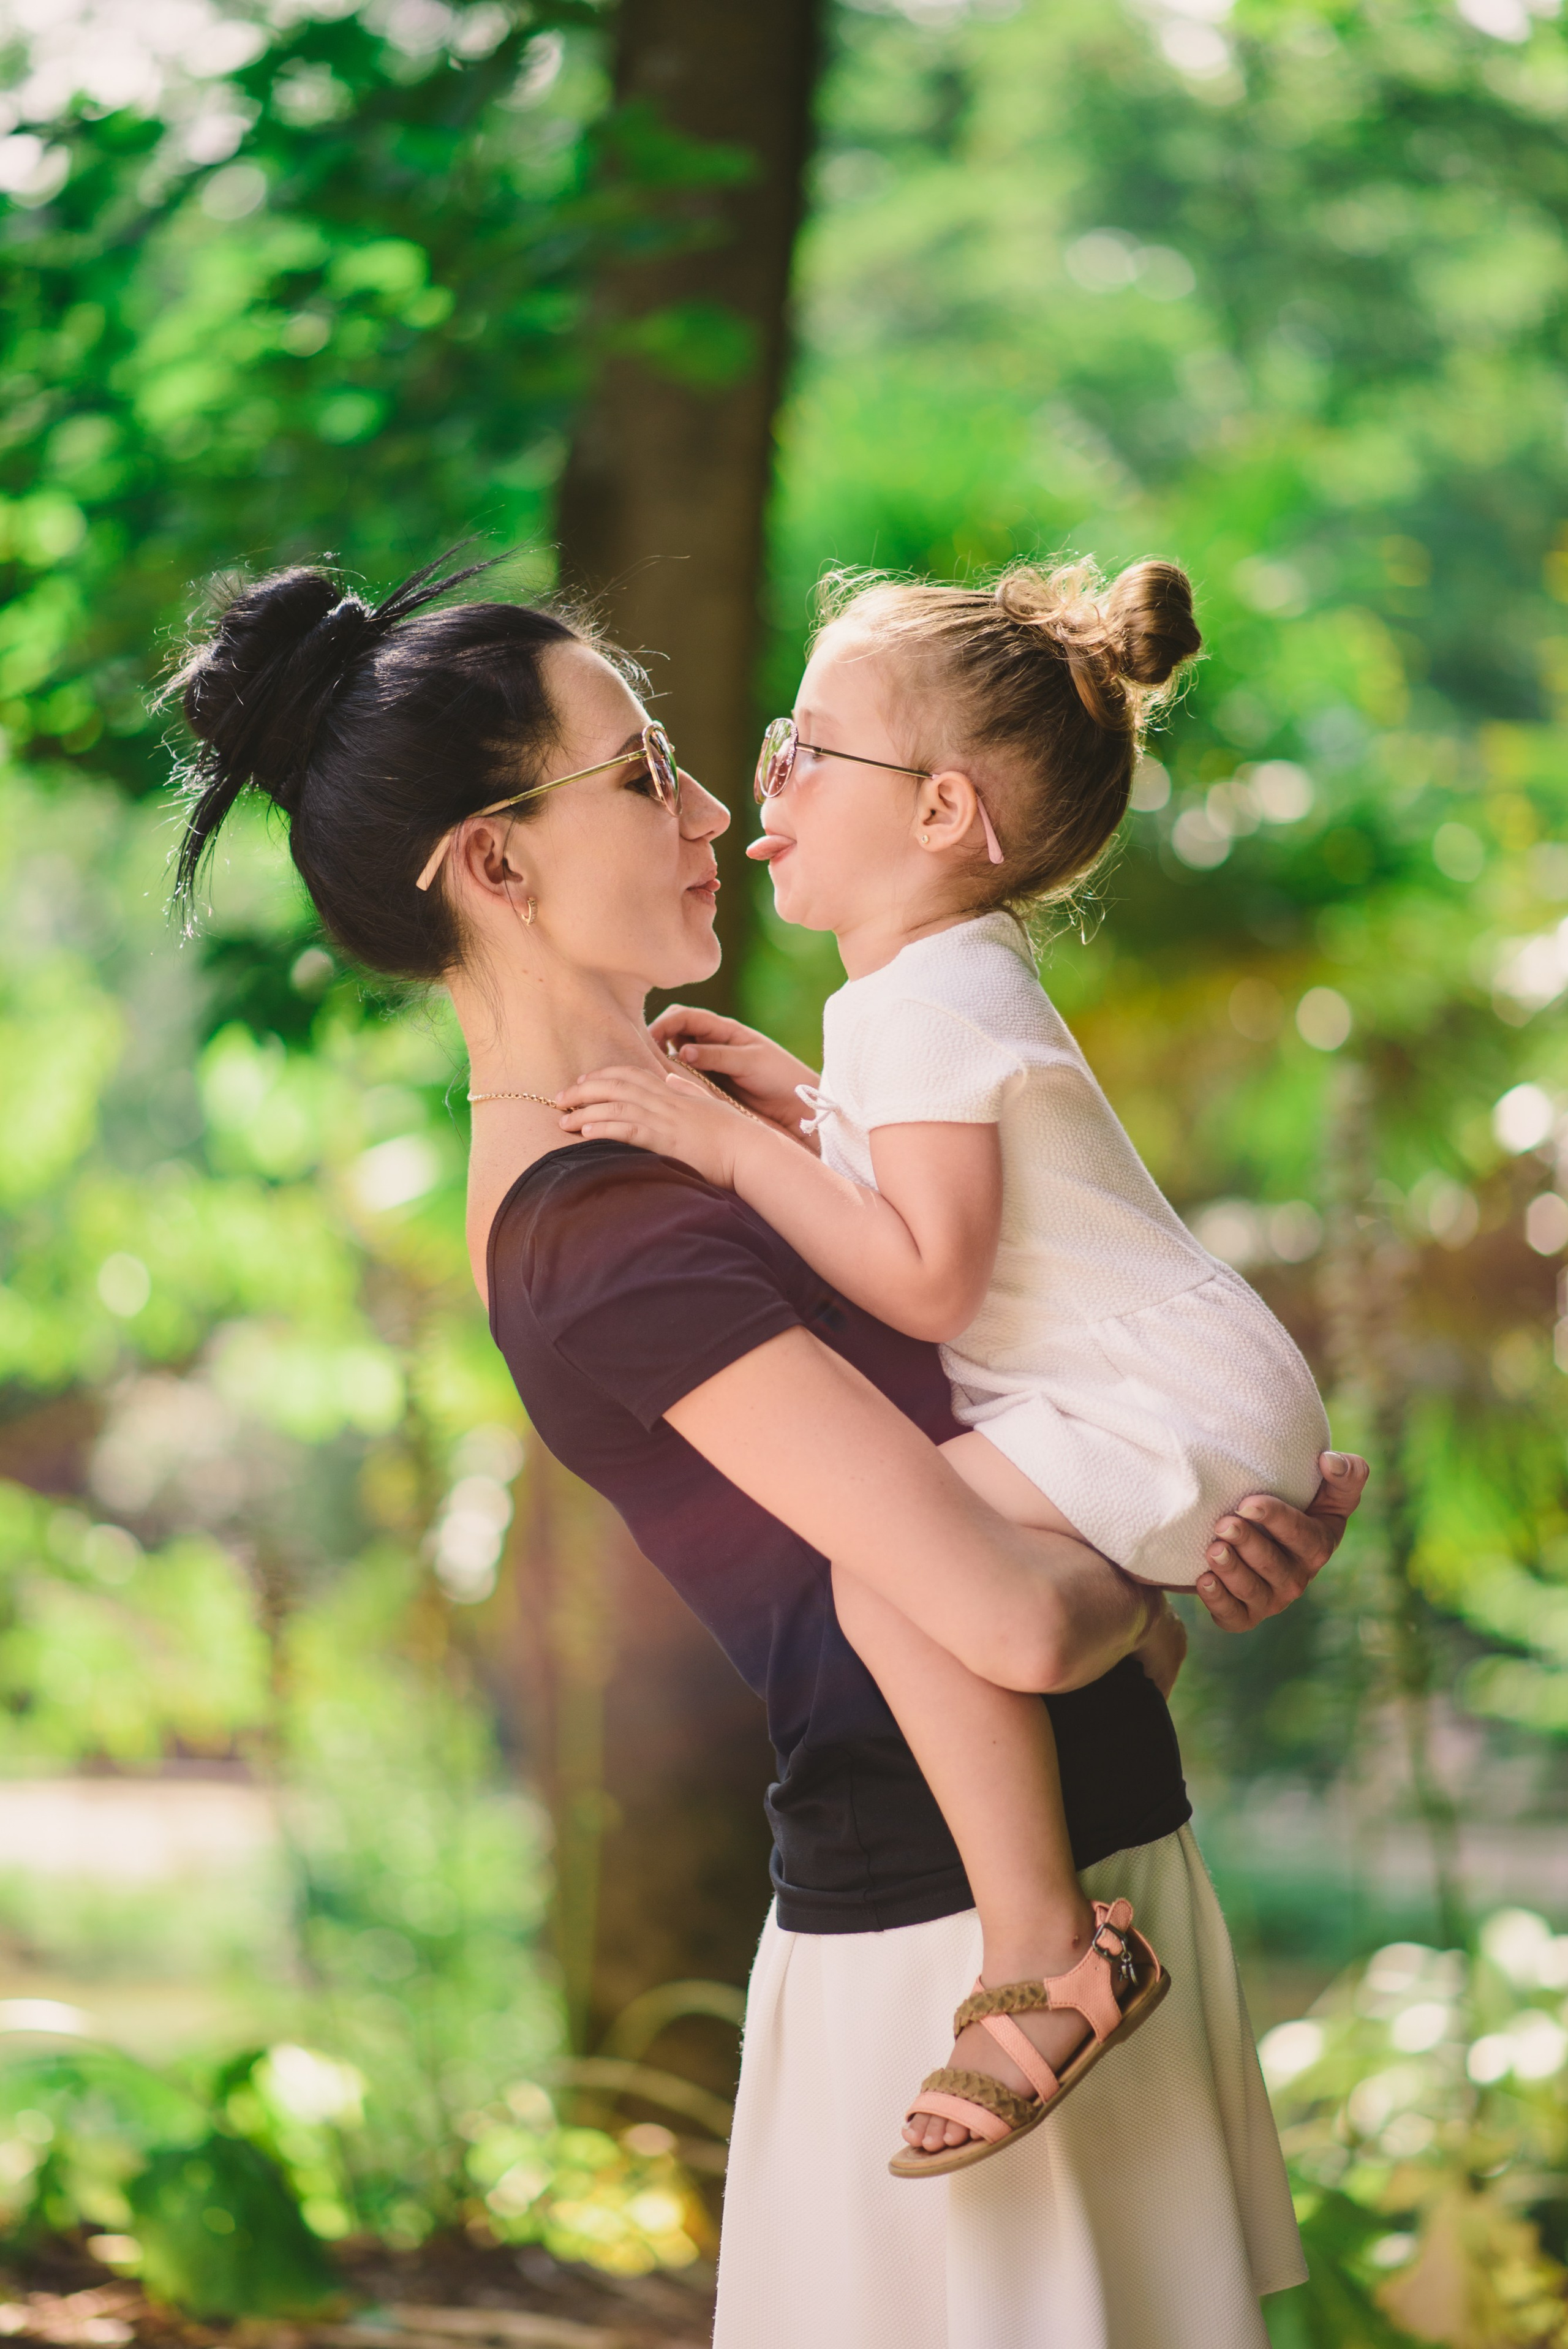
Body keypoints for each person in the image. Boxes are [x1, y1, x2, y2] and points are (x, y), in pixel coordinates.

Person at [168, 554, 1366, 2349]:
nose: (720, 806)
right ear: (494, 863)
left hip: (1077, 1887)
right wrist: (1135, 1567)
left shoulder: (733, 1112)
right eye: (646, 774)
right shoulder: (607, 1235)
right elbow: (1013, 1624)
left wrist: (1191, 1521)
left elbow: (1032, 1479)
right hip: (958, 1957)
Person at [559, 555, 1331, 2176]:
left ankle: (1052, 1955)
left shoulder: (925, 1001)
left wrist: (721, 1139)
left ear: (940, 815)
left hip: (1149, 1401)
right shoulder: (924, 993)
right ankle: (1111, 1671)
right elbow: (941, 1203)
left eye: (808, 748)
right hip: (1176, 1387)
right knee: (926, 1562)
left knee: (891, 1569)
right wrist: (798, 1109)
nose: (765, 780)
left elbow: (926, 1277)